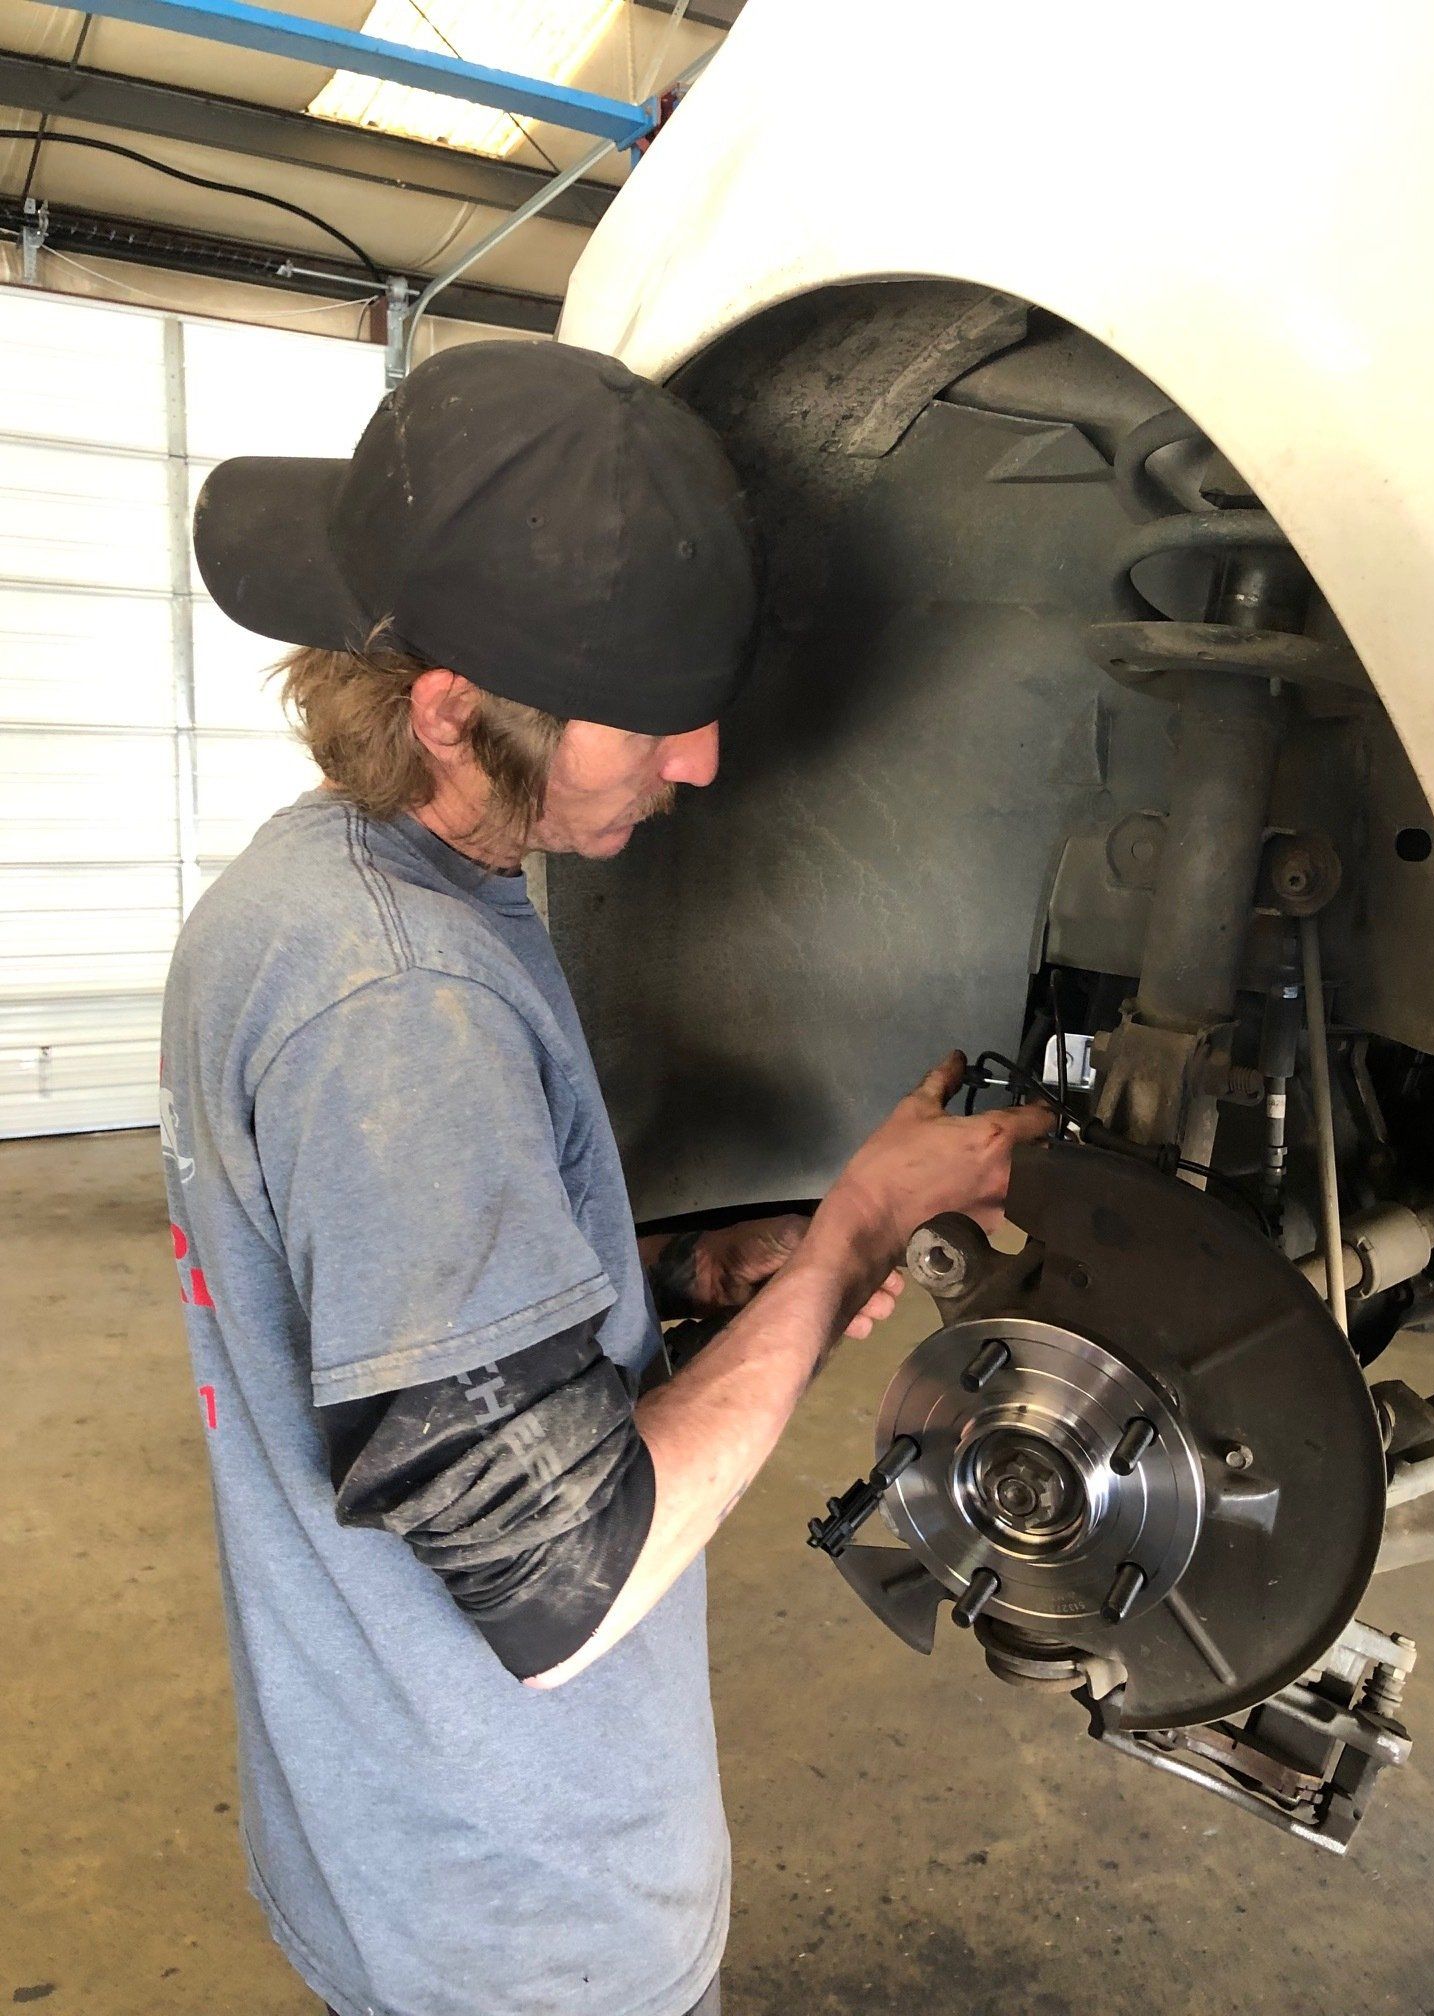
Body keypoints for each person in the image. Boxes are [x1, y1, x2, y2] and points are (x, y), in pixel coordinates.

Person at [163, 341, 1052, 2016]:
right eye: (653, 724)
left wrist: (686, 1277)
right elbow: (558, 1580)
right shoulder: (397, 1005)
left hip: (401, 1846)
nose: (704, 762)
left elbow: (398, 1307)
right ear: (452, 713)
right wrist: (851, 1223)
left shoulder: (325, 893)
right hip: (519, 1926)